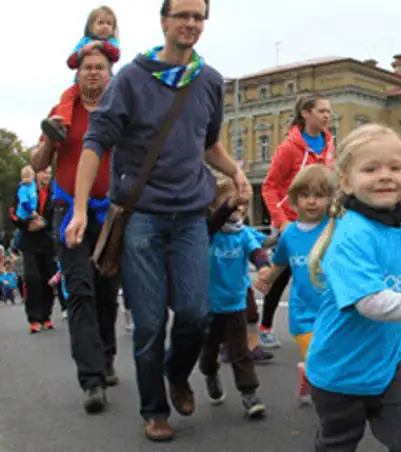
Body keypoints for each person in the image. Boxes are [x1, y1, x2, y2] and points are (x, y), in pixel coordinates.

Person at [64, 0, 251, 442]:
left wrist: (236, 172)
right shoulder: (131, 78)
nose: (190, 23)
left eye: (198, 17)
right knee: (148, 323)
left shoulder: (209, 81)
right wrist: (78, 209)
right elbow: (95, 142)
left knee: (195, 313)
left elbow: (207, 144)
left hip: (189, 217)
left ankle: (176, 373)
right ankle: (154, 409)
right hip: (142, 217)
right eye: (182, 15)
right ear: (164, 21)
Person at [304, 124, 401, 451]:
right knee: (337, 445)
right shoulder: (351, 235)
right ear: (346, 181)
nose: (385, 176)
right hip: (339, 375)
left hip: (386, 369)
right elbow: (371, 303)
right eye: (371, 169)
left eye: (395, 167)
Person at [30, 48, 120, 414]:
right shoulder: (64, 111)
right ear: (78, 75)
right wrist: (50, 137)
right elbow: (38, 163)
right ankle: (92, 379)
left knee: (106, 291)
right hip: (69, 212)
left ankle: (107, 353)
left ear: (109, 74)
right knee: (80, 291)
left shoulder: (119, 110)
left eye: (100, 68)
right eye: (88, 68)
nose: (94, 73)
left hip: (110, 213)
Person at [259, 93, 335, 349]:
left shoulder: (329, 144)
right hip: (292, 222)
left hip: (322, 220)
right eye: (322, 111)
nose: (327, 116)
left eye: (329, 111)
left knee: (323, 273)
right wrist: (282, 221)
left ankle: (325, 326)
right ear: (305, 113)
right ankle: (265, 327)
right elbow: (269, 186)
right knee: (281, 275)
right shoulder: (289, 148)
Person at [262, 164, 335, 406]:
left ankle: (309, 375)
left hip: (334, 311)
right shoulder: (290, 234)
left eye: (319, 195)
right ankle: (317, 383)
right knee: (318, 359)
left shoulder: (336, 229)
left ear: (330, 199)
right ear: (294, 199)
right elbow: (279, 263)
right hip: (303, 313)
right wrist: (267, 278)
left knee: (330, 360)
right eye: (305, 195)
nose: (312, 202)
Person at [199, 180, 269, 418]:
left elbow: (257, 250)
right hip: (210, 305)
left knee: (240, 352)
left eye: (240, 204)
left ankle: (249, 394)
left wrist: (264, 267)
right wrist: (227, 206)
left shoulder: (243, 233)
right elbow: (214, 221)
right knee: (209, 352)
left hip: (235, 303)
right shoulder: (208, 232)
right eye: (229, 202)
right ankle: (210, 373)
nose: (237, 208)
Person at [41, 5, 121, 143]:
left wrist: (99, 45)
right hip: (79, 85)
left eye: (109, 24)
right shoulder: (84, 42)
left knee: (118, 98)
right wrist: (81, 52)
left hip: (107, 86)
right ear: (91, 26)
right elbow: (71, 63)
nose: (105, 26)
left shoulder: (111, 43)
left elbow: (115, 55)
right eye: (101, 23)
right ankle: (62, 124)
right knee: (67, 96)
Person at [10, 168, 57, 334]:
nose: (47, 176)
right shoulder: (25, 188)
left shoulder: (54, 191)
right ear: (37, 173)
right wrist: (27, 224)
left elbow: (59, 213)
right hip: (29, 240)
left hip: (47, 241)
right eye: (44, 172)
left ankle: (46, 316)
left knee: (47, 279)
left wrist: (45, 222)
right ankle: (34, 318)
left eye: (49, 173)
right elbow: (14, 213)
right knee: (32, 278)